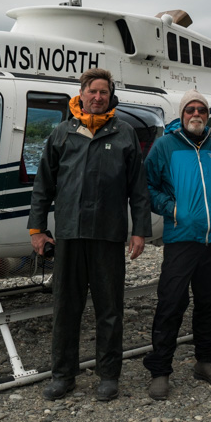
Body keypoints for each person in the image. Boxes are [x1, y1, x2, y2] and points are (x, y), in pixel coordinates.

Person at [28, 68, 152, 402]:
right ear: (81, 93)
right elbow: (43, 186)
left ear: (111, 97)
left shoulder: (124, 134)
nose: (98, 97)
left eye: (104, 93)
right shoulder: (62, 134)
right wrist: (37, 228)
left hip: (108, 236)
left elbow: (138, 190)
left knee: (109, 309)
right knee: (66, 307)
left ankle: (108, 375)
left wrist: (140, 231)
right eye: (92, 91)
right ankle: (62, 375)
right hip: (69, 234)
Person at [142, 90, 211, 400]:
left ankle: (205, 361)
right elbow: (148, 186)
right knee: (171, 303)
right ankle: (160, 370)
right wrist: (172, 209)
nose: (196, 114)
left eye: (202, 110)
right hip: (182, 237)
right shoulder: (165, 146)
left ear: (207, 115)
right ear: (181, 115)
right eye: (190, 110)